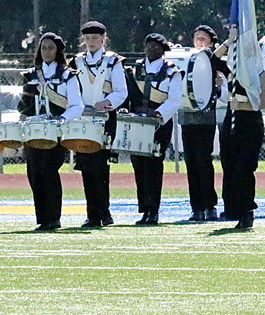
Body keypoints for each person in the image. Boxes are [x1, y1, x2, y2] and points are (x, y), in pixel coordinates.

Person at [19, 33, 84, 231]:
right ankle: (42, 219)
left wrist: (61, 120)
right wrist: (23, 117)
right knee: (34, 172)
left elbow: (77, 106)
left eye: (51, 48)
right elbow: (23, 105)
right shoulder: (30, 75)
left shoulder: (67, 75)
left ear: (58, 51)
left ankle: (54, 217)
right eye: (44, 48)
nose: (47, 52)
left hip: (56, 133)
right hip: (33, 131)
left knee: (49, 171)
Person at [69, 21, 127, 228]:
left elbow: (121, 91)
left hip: (104, 120)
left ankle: (104, 211)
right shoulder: (76, 62)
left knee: (100, 166)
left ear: (103, 39)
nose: (91, 42)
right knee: (85, 166)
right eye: (87, 38)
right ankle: (93, 213)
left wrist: (107, 102)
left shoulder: (113, 62)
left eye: (95, 38)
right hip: (82, 120)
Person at [124, 33, 184, 226]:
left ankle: (154, 210)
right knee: (138, 165)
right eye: (149, 46)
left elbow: (174, 100)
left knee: (153, 165)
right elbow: (129, 94)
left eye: (156, 47)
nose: (151, 50)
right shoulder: (136, 69)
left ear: (163, 50)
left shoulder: (172, 72)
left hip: (159, 124)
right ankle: (144, 208)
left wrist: (158, 115)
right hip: (137, 122)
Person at [216, 26, 265, 229]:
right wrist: (229, 41)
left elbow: (262, 103)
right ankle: (232, 208)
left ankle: (247, 210)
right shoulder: (232, 71)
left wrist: (243, 104)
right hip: (232, 121)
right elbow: (213, 60)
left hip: (250, 121)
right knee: (229, 166)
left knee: (244, 168)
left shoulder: (260, 73)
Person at [180, 25, 227, 222]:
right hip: (188, 117)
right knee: (190, 161)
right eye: (197, 38)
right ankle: (196, 207)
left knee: (203, 160)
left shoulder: (216, 63)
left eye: (203, 39)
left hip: (206, 118)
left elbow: (225, 92)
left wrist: (218, 86)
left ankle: (210, 205)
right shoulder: (187, 60)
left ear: (211, 43)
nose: (199, 42)